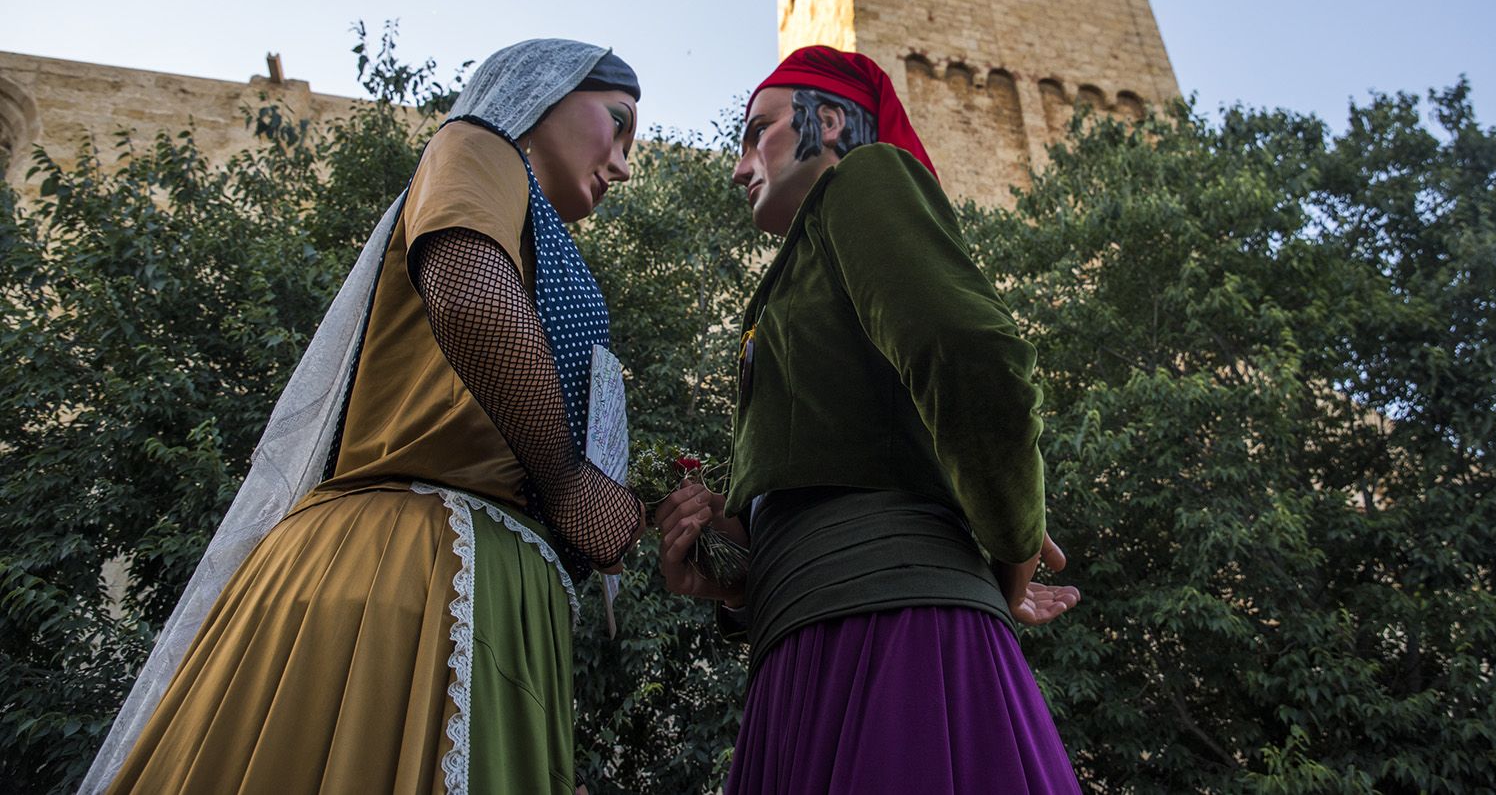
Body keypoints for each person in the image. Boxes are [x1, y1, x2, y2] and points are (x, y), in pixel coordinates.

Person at [82, 39, 647, 795]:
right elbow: (472, 297)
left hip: (499, 590)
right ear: (539, 93)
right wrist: (570, 482)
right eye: (618, 124)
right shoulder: (478, 145)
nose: (624, 162)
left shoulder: (540, 237)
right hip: (416, 562)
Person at [656, 45, 1084, 794]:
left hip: (891, 636)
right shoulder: (800, 274)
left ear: (829, 120)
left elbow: (971, 355)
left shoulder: (866, 175)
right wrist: (732, 573)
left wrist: (1010, 553)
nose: (739, 166)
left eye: (758, 130)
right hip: (805, 649)